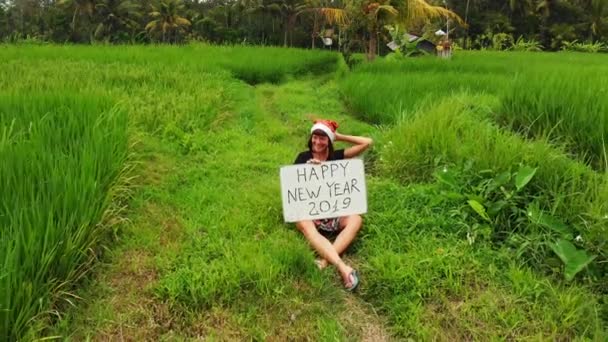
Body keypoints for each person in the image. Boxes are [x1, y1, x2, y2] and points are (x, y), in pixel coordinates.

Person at [293, 119, 373, 291]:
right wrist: (309, 171)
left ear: (329, 141)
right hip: (312, 214)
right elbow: (295, 188)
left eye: (323, 138)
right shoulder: (303, 158)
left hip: (334, 211)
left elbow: (367, 142)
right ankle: (342, 267)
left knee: (356, 220)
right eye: (315, 137)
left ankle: (323, 262)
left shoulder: (337, 157)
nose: (317, 142)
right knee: (301, 221)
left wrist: (339, 136)